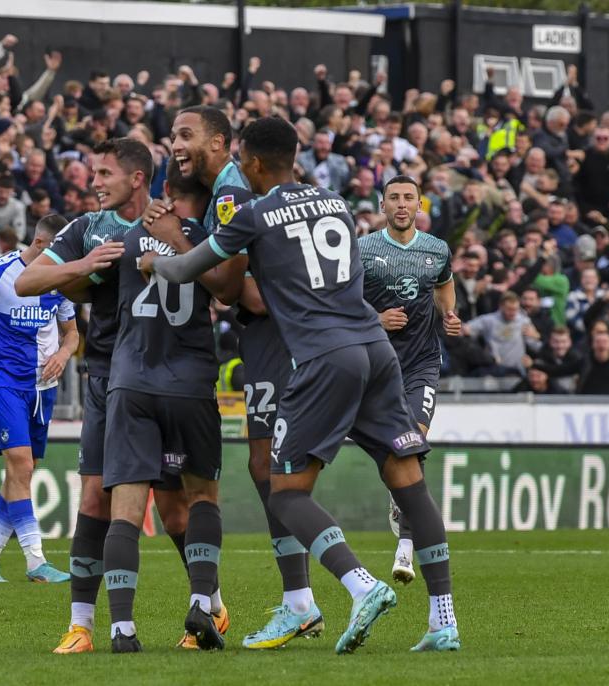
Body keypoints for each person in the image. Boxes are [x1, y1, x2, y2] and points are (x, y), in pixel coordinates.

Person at [144, 117, 461, 653]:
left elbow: (194, 273)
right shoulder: (335, 200)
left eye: (245, 159)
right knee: (408, 482)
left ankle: (360, 586)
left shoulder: (254, 213)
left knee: (283, 488)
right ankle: (443, 622)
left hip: (322, 356)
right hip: (376, 349)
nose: (241, 167)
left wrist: (159, 251)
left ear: (258, 163)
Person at [16, 140, 224, 653]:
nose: (94, 182)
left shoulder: (160, 228)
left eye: (103, 173)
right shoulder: (88, 228)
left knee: (176, 512)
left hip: (147, 369)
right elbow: (29, 279)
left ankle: (209, 605)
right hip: (111, 374)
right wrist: (84, 264)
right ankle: (82, 624)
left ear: (137, 180)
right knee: (96, 498)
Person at [145, 109, 317, 651]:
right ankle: (300, 599)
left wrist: (173, 240)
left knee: (272, 468)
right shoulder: (230, 186)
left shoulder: (230, 192)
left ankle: (301, 601)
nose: (175, 144)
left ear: (219, 143)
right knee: (269, 467)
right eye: (173, 135)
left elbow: (229, 287)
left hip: (278, 337)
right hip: (277, 337)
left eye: (185, 135)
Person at [96, 154, 244, 655]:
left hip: (131, 381)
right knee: (202, 497)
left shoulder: (127, 236)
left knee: (127, 511)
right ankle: (204, 601)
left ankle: (121, 628)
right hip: (190, 384)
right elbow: (228, 294)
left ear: (161, 187)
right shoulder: (207, 238)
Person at [0, 214, 78, 583]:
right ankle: (35, 561)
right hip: (4, 380)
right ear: (41, 244)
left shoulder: (61, 280)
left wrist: (63, 354)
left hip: (43, 386)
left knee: (21, 473)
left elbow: (72, 333)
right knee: (21, 467)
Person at [358, 175, 459, 584]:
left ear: (420, 206)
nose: (402, 205)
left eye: (409, 198)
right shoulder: (362, 250)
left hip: (422, 364)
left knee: (413, 445)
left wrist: (448, 315)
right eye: (394, 198)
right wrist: (376, 319)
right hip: (377, 366)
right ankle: (398, 501)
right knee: (395, 452)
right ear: (382, 206)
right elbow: (342, 300)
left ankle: (404, 548)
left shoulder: (437, 250)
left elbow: (444, 286)